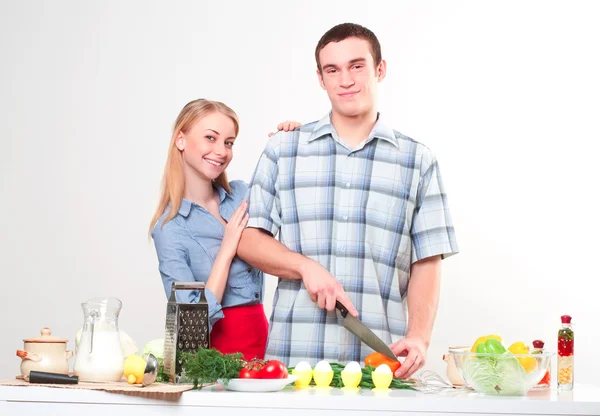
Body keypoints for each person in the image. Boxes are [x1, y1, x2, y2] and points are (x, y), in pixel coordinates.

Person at [237, 23, 459, 378]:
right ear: (321, 79)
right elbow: (249, 239)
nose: (345, 80)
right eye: (332, 70)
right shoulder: (283, 150)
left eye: (357, 66)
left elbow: (428, 259)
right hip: (294, 363)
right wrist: (305, 267)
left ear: (380, 69)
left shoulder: (418, 161)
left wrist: (419, 336)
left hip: (380, 369)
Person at [149, 98, 299, 361]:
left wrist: (292, 146)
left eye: (228, 142)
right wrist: (227, 249)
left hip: (265, 343)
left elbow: (297, 201)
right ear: (180, 140)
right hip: (214, 358)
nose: (222, 151)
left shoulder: (242, 194)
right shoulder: (170, 228)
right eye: (210, 138)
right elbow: (189, 326)